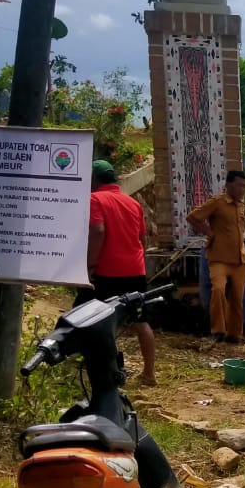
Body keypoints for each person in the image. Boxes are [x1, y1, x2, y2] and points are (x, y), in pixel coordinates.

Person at [78, 159, 156, 385]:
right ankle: (149, 373)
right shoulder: (132, 203)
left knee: (98, 319)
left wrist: (90, 265)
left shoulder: (95, 199)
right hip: (135, 270)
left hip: (108, 271)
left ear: (95, 179)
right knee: (141, 320)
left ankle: (107, 371)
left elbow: (98, 230)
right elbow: (142, 239)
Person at [187, 170, 245, 343]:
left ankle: (234, 335)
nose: (242, 189)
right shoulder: (217, 202)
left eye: (244, 186)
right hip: (219, 259)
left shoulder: (241, 206)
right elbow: (193, 217)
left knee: (237, 299)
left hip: (239, 261)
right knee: (218, 290)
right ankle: (218, 331)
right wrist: (208, 232)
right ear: (228, 185)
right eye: (239, 185)